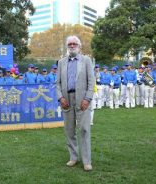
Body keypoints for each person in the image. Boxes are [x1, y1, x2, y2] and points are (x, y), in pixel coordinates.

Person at [56, 35, 95, 171]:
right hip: (66, 100)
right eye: (69, 44)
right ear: (67, 46)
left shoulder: (86, 60)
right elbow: (58, 83)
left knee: (84, 130)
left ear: (79, 46)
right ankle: (73, 157)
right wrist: (60, 98)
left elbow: (91, 82)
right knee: (69, 130)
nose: (72, 46)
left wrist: (87, 98)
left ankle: (86, 161)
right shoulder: (61, 62)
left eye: (74, 44)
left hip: (82, 100)